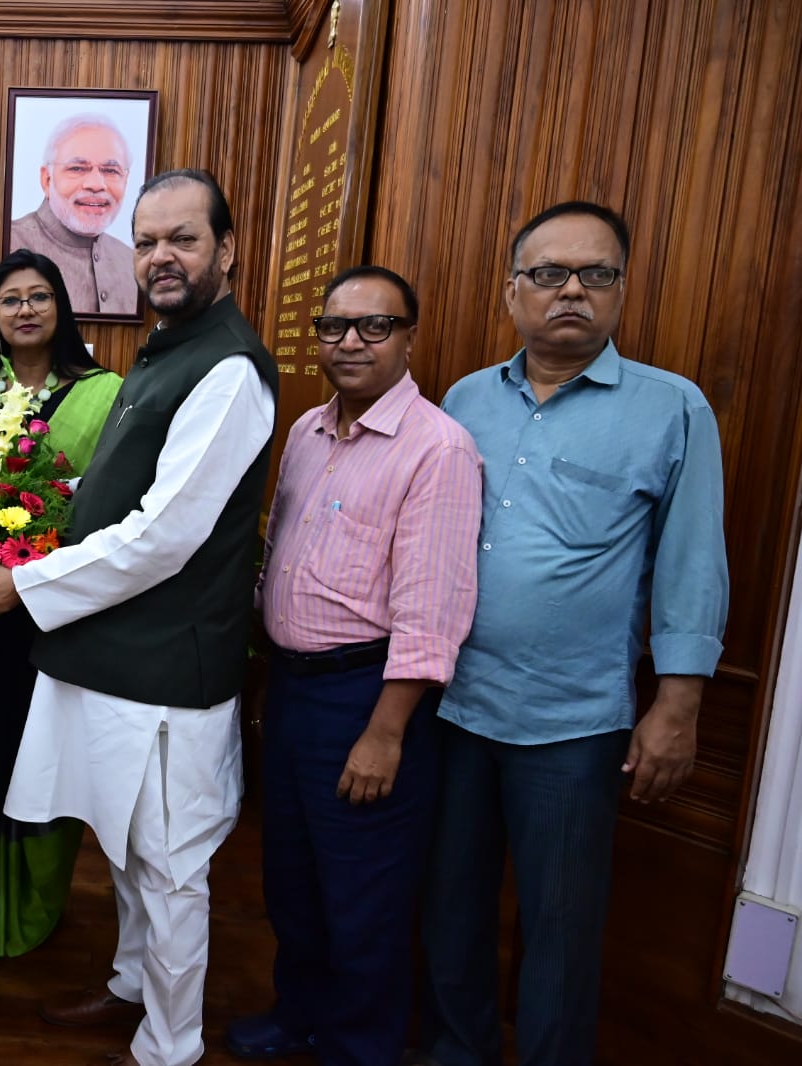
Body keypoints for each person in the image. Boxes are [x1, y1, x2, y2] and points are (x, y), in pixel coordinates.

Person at [0, 169, 278, 1066]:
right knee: (127, 848)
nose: (160, 257)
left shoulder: (228, 368)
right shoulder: (168, 348)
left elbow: (163, 537)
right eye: (146, 242)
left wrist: (26, 584)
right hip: (107, 653)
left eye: (183, 239)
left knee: (172, 867)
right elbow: (121, 494)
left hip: (169, 670)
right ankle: (132, 985)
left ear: (227, 250)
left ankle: (169, 1048)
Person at [418, 201, 729, 1066]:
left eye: (596, 274)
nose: (572, 291)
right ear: (511, 289)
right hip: (454, 705)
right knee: (450, 909)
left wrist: (678, 707)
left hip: (573, 723)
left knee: (560, 929)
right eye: (550, 273)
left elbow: (693, 564)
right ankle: (455, 1052)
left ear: (621, 289)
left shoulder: (671, 408)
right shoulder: (466, 399)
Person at [227, 267, 482, 1065]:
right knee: (293, 878)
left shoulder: (438, 448)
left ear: (410, 337)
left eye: (375, 326)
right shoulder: (307, 431)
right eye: (334, 327)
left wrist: (386, 732)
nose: (351, 342)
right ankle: (299, 1014)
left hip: (366, 699)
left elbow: (432, 610)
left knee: (363, 895)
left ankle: (358, 1046)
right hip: (293, 691)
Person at [0, 248, 123, 964]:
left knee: (35, 757)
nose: (26, 310)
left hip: (53, 612)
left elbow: (113, 506)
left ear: (61, 307)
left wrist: (36, 563)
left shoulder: (105, 392)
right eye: (11, 299)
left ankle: (28, 907)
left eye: (40, 296)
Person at [10, 113, 138, 316]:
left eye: (110, 170)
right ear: (47, 179)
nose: (96, 184)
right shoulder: (7, 243)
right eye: (77, 168)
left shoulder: (132, 262)